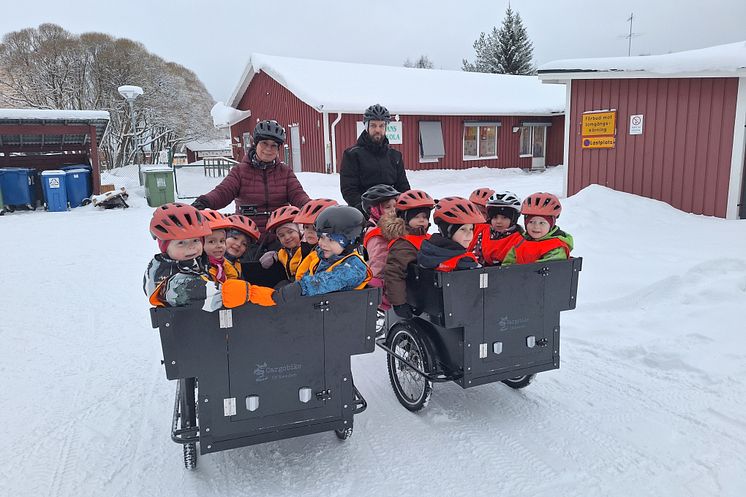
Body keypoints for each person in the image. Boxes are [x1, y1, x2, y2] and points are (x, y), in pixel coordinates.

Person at [144, 203, 275, 310]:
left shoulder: (198, 262)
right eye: (181, 243)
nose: (191, 247)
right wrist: (255, 294)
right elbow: (199, 292)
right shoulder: (166, 275)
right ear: (165, 247)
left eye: (196, 241)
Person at [191, 119, 310, 237]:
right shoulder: (240, 171)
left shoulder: (285, 172)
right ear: (256, 144)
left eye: (273, 145)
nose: (268, 149)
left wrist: (313, 207)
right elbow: (223, 192)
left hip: (279, 235)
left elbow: (298, 195)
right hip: (247, 236)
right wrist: (203, 201)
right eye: (264, 143)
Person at [273, 206, 372, 303]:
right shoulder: (322, 257)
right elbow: (308, 276)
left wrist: (298, 288)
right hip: (317, 308)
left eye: (331, 239)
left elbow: (327, 281)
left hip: (340, 313)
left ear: (350, 242)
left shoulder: (353, 268)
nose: (322, 243)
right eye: (320, 237)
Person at [339, 104, 410, 212]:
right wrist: (366, 209)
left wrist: (401, 207)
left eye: (381, 126)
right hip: (365, 214)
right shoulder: (352, 155)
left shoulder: (395, 155)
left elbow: (403, 187)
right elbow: (349, 190)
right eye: (373, 125)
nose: (377, 130)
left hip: (392, 212)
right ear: (366, 127)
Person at [381, 189, 434, 319]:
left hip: (429, 295)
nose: (422, 220)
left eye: (425, 217)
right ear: (405, 218)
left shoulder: (430, 238)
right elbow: (394, 273)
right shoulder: (402, 244)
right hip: (413, 297)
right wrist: (399, 303)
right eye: (416, 217)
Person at [502, 192, 574, 265]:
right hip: (518, 275)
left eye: (542, 223)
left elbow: (548, 268)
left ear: (551, 225)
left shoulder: (556, 246)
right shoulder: (520, 241)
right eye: (531, 222)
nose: (536, 226)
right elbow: (508, 262)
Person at [418, 197, 484, 272]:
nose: (469, 234)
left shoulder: (427, 250)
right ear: (447, 231)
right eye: (463, 229)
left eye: (471, 229)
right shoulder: (464, 262)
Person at [259, 205, 314, 281]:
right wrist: (274, 255)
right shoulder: (283, 253)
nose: (287, 237)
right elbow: (281, 255)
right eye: (281, 235)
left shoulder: (309, 249)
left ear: (300, 231)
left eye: (290, 232)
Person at [480, 191, 524, 266]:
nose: (498, 222)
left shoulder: (521, 239)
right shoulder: (484, 234)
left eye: (504, 217)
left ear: (513, 219)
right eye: (495, 217)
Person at [200, 209, 237, 282]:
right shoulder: (202, 270)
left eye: (222, 241)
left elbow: (233, 279)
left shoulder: (224, 264)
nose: (219, 245)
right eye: (211, 242)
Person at [224, 214, 260, 278]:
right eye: (234, 238)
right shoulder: (214, 263)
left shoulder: (237, 264)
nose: (238, 244)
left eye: (244, 244)